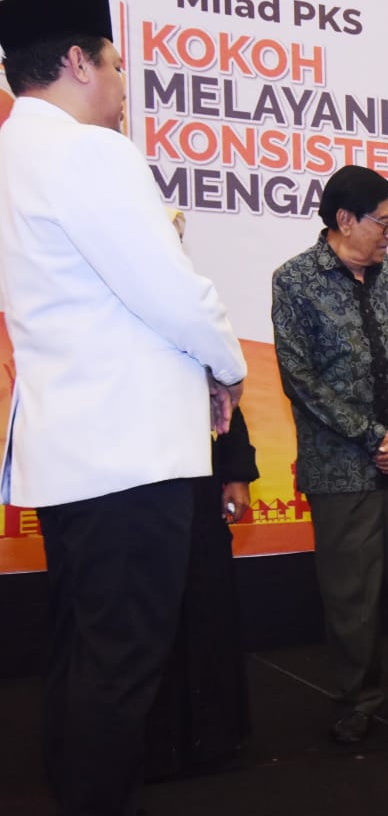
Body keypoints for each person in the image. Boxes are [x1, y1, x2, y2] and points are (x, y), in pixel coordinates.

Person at [0, 0, 246, 816]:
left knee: (83, 654)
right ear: (78, 62)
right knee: (121, 665)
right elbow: (172, 293)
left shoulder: (14, 153)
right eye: (114, 65)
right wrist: (227, 367)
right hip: (128, 456)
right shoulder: (88, 153)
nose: (120, 87)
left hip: (72, 453)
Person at [271, 164, 388, 744]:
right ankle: (357, 700)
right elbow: (299, 377)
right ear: (345, 220)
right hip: (340, 465)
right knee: (351, 592)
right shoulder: (295, 280)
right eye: (384, 222)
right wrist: (373, 436)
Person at [146, 211, 257, 780]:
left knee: (208, 604)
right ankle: (154, 743)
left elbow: (225, 398)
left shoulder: (193, 305)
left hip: (197, 483)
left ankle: (212, 734)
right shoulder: (115, 306)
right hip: (136, 485)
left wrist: (235, 474)